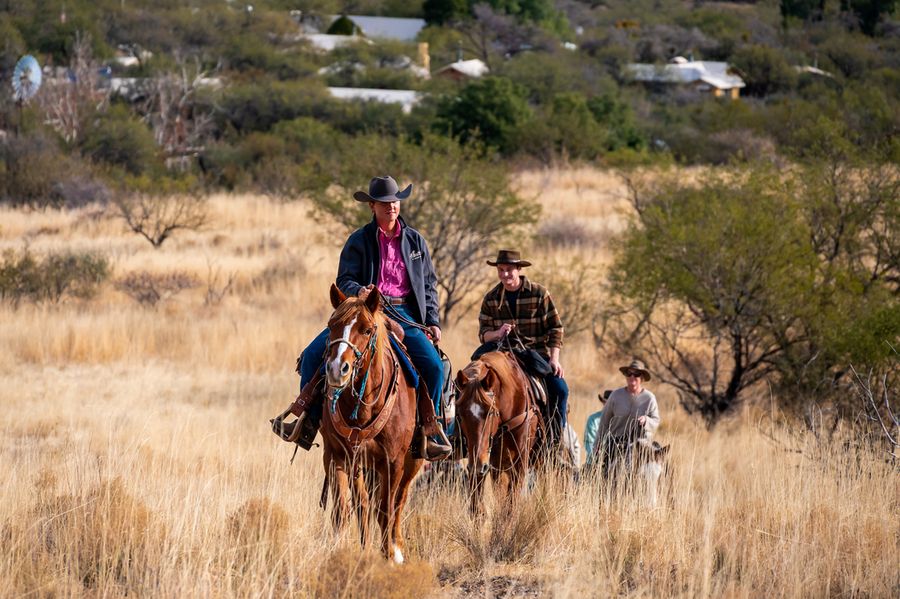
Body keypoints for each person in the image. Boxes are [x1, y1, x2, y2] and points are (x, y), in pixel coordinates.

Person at [277, 175, 451, 460]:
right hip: (365, 311)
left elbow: (428, 285)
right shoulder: (358, 241)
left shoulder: (415, 241)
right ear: (372, 206)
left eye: (394, 201)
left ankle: (427, 429)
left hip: (405, 313)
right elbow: (343, 279)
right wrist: (360, 289)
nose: (391, 207)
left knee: (434, 366)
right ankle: (307, 420)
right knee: (311, 356)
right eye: (384, 203)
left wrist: (432, 320)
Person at [474, 249, 569, 447]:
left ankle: (555, 441)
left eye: (509, 270)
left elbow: (556, 328)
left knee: (560, 389)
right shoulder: (491, 298)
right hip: (502, 354)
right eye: (501, 270)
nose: (505, 274)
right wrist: (498, 332)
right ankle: (464, 438)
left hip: (535, 353)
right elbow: (483, 334)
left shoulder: (539, 293)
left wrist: (554, 359)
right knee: (471, 381)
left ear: (519, 269)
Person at [592, 359, 660, 477]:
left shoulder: (650, 398)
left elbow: (656, 421)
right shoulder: (615, 395)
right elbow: (604, 422)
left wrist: (646, 421)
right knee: (603, 473)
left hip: (641, 443)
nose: (632, 377)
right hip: (616, 442)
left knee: (658, 465)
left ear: (642, 377)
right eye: (629, 373)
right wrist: (597, 445)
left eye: (636, 374)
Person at [583, 389, 610, 469]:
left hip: (613, 463)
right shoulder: (593, 419)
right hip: (594, 464)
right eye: (606, 403)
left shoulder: (619, 421)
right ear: (603, 402)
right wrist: (599, 458)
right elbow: (589, 443)